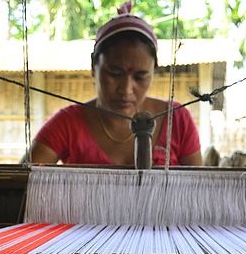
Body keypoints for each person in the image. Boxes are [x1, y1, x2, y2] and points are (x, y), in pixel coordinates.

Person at [28, 1, 202, 167]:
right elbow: (20, 182)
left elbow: (200, 191)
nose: (126, 90)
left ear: (154, 70)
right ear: (93, 67)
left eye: (140, 76)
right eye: (115, 74)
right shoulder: (68, 124)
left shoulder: (177, 121)